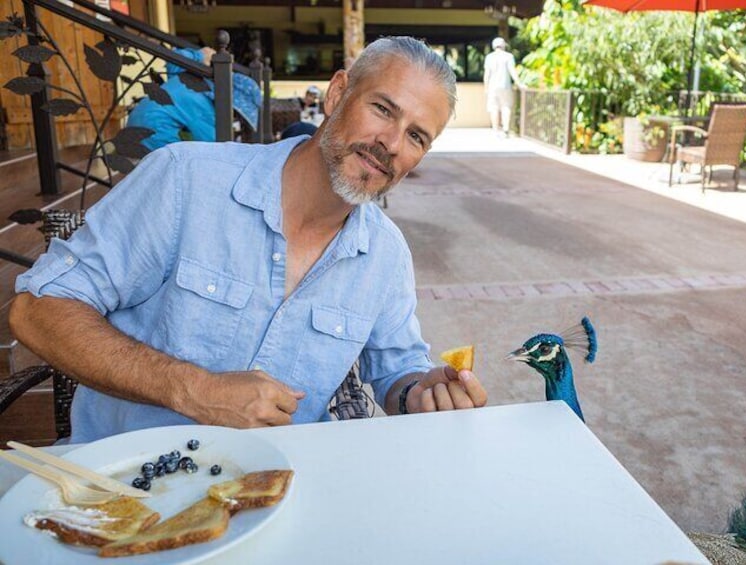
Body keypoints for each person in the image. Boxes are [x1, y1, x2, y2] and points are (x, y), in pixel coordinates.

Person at [10, 36, 488, 443]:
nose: (391, 143)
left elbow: (397, 370)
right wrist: (193, 389)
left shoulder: (385, 255)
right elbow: (37, 309)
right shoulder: (185, 180)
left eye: (417, 137)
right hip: (128, 490)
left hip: (280, 492)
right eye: (383, 109)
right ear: (338, 93)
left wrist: (423, 394)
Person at [126, 47, 262, 150]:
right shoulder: (207, 109)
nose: (234, 117)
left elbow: (174, 59)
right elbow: (216, 146)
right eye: (236, 114)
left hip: (134, 124)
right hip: (152, 134)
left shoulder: (191, 78)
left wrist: (199, 55)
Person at [483, 37, 523, 137]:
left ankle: (495, 131)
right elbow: (512, 71)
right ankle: (505, 129)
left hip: (492, 87)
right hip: (505, 86)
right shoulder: (508, 56)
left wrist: (486, 87)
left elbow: (487, 74)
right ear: (504, 45)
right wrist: (519, 83)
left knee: (494, 108)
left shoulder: (489, 57)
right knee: (506, 107)